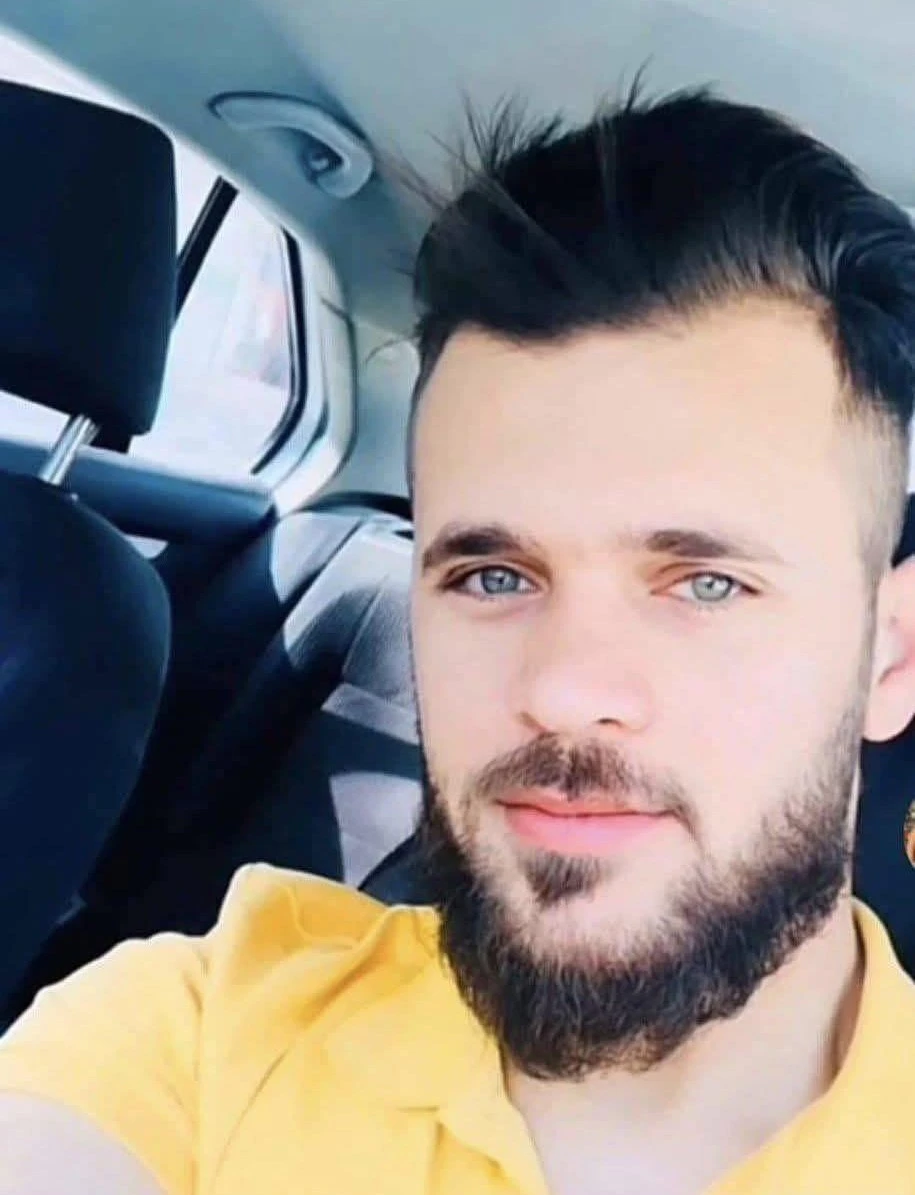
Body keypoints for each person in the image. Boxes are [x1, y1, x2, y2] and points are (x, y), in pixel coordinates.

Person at [3, 86, 915, 1195]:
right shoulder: (195, 1033)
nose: (563, 689)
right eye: (494, 576)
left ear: (890, 654)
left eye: (706, 584)